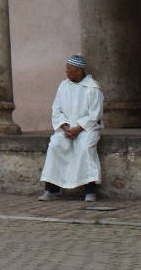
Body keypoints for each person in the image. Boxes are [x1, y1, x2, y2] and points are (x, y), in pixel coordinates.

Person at [40, 54, 104, 202]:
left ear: (79, 70)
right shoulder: (63, 86)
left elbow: (95, 114)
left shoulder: (93, 88)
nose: (66, 71)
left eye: (69, 69)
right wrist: (64, 126)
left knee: (85, 148)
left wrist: (78, 128)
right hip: (66, 129)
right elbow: (56, 109)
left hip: (86, 129)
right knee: (55, 145)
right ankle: (51, 189)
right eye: (67, 68)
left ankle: (89, 190)